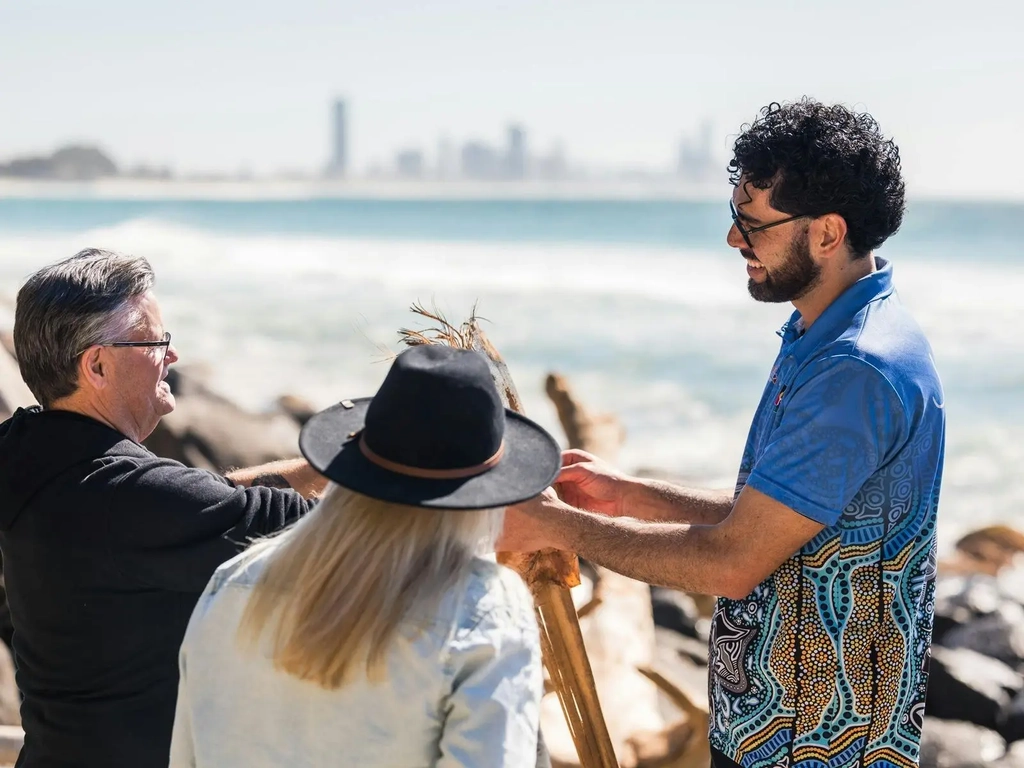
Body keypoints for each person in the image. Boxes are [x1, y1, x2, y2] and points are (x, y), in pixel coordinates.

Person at [500, 99, 945, 768]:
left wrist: (555, 526)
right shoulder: (827, 334)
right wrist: (626, 495)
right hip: (782, 733)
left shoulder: (854, 369)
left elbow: (732, 562)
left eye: (752, 222)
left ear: (826, 233)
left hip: (816, 748)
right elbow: (784, 521)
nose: (735, 240)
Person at [0, 249, 325, 768]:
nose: (172, 356)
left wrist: (323, 468)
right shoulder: (127, 497)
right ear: (98, 365)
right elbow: (321, 531)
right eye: (156, 341)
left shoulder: (25, 451)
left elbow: (203, 503)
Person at [168, 343, 559, 767]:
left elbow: (186, 756)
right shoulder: (484, 607)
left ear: (353, 460)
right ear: (489, 492)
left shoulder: (235, 579)